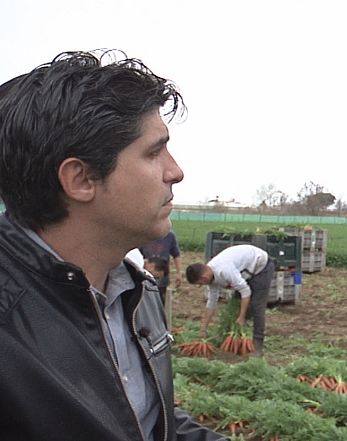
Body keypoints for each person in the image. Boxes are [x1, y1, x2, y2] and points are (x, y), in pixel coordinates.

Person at [0, 51, 226, 440]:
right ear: (81, 179)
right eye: (154, 152)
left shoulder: (138, 293)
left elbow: (148, 423)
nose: (176, 172)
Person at [185, 244, 275, 357]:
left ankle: (257, 346)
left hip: (261, 267)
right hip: (244, 271)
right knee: (236, 304)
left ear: (204, 278)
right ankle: (233, 339)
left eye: (199, 284)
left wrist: (241, 317)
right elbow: (212, 302)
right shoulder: (210, 276)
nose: (200, 286)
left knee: (257, 307)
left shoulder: (225, 270)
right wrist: (203, 328)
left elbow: (245, 292)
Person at [140, 230, 183, 304]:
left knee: (160, 302)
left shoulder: (169, 235)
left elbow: (176, 255)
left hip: (161, 278)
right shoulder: (142, 235)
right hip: (144, 277)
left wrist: (179, 273)